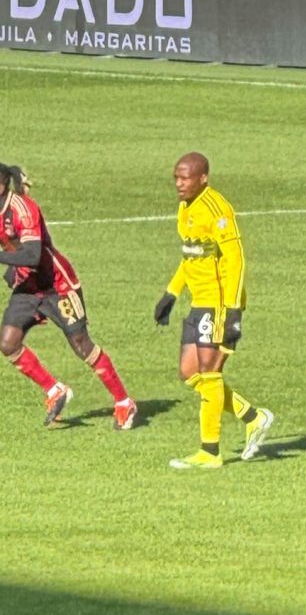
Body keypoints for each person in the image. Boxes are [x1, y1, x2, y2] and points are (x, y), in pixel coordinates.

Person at [153, 153, 273, 470]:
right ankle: (254, 417)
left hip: (220, 303)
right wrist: (172, 291)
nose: (179, 184)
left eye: (185, 178)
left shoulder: (218, 210)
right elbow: (192, 254)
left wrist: (233, 312)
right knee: (189, 373)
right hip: (198, 301)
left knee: (210, 372)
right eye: (176, 177)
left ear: (203, 177)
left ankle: (210, 452)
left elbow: (236, 260)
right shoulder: (185, 208)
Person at [0, 164, 137, 430]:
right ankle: (54, 390)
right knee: (8, 343)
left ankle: (123, 401)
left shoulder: (23, 208)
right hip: (28, 286)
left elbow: (32, 255)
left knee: (81, 345)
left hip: (57, 285)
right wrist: (10, 268)